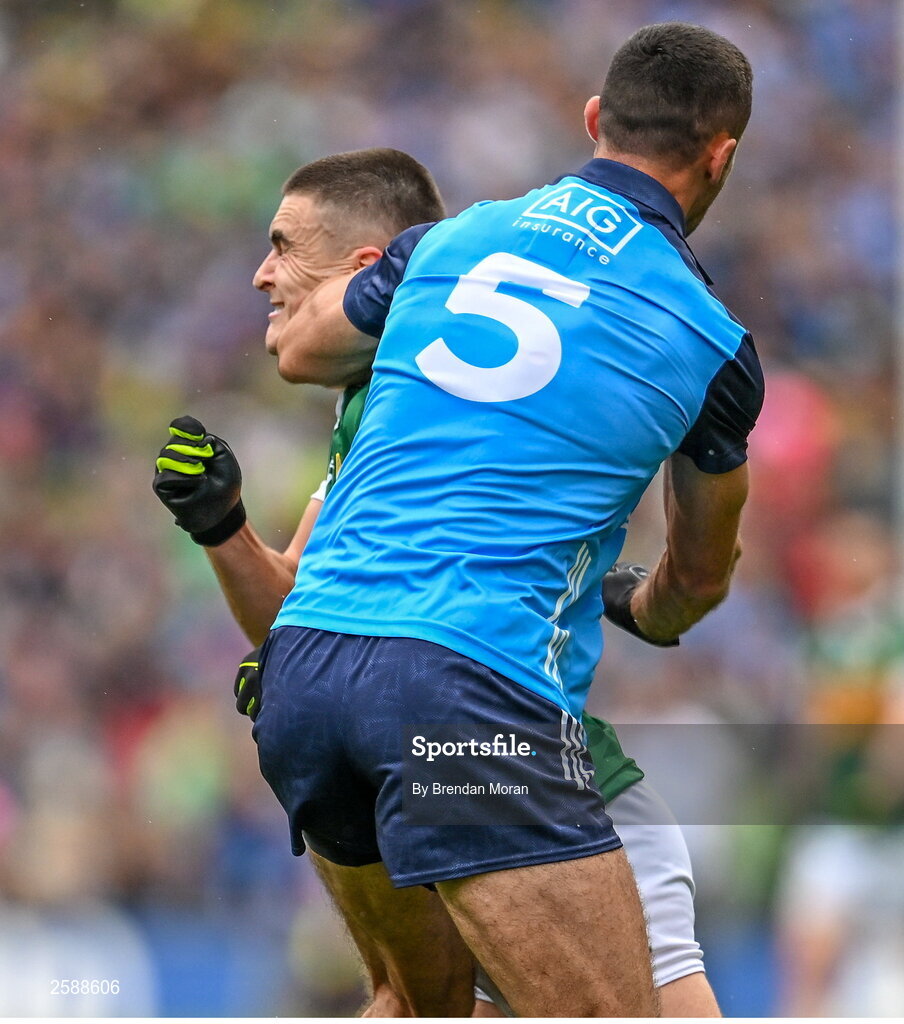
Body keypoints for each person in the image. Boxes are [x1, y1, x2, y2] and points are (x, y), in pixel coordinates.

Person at [168, 22, 762, 1016]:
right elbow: (693, 589)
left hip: (305, 678)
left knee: (417, 1003)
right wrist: (635, 604)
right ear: (721, 157)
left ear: (591, 122)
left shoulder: (447, 242)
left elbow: (306, 344)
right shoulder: (713, 342)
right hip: (469, 693)